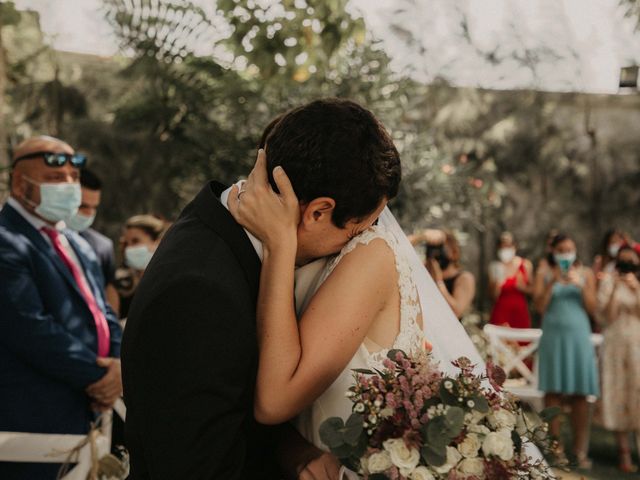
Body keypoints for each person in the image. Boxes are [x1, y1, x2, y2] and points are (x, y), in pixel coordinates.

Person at [121, 99, 403, 479]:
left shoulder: (222, 235)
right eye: (354, 232)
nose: (354, 247)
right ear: (318, 212)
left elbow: (230, 412)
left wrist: (293, 450)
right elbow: (198, 468)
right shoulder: (198, 293)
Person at [0, 136, 122, 479]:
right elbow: (28, 327)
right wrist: (101, 376)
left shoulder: (78, 245)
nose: (69, 185)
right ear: (21, 183)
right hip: (31, 419)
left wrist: (118, 366)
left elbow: (104, 313)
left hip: (87, 413)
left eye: (73, 177)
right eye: (55, 179)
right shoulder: (6, 239)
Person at [533, 233, 598, 468]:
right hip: (553, 338)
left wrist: (580, 284)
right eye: (561, 249)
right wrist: (554, 282)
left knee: (580, 394)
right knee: (553, 393)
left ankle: (580, 451)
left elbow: (593, 308)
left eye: (570, 249)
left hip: (579, 337)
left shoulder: (586, 273)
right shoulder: (543, 272)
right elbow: (539, 306)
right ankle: (555, 448)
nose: (566, 253)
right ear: (554, 252)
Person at [596, 246, 640, 473]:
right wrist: (615, 288)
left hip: (637, 346)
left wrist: (636, 289)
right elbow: (607, 317)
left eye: (631, 262)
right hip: (615, 347)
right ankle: (624, 453)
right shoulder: (608, 282)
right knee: (619, 394)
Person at [66, 168, 120, 314]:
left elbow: (109, 291)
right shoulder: (44, 238)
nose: (89, 214)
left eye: (94, 207)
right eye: (82, 206)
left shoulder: (102, 246)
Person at [409, 228, 475, 318]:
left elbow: (456, 312)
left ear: (453, 252)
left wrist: (438, 282)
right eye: (431, 248)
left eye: (440, 248)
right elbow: (396, 251)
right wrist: (422, 236)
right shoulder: (423, 272)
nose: (435, 253)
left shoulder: (464, 278)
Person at [115, 214, 166, 319]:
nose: (129, 248)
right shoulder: (119, 283)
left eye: (135, 241)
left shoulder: (170, 279)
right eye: (126, 243)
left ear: (157, 242)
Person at [488, 231, 533, 328]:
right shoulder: (495, 267)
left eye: (508, 245)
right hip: (501, 314)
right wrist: (497, 285)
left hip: (520, 313)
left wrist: (523, 288)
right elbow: (492, 295)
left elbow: (534, 291)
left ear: (514, 246)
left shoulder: (525, 265)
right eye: (502, 246)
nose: (505, 249)